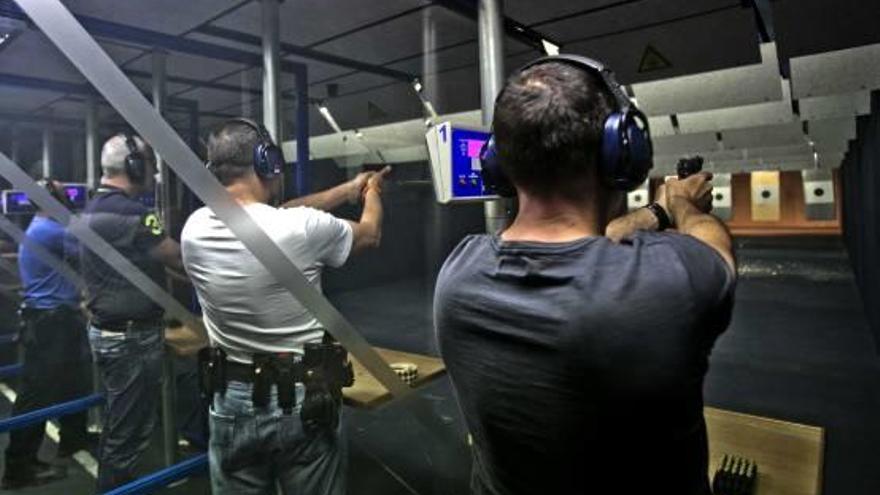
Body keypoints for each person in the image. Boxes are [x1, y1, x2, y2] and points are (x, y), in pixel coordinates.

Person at [434, 56, 736, 495]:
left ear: (499, 163)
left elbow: (579, 242)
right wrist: (684, 205)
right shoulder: (670, 285)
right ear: (623, 151)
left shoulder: (458, 274)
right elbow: (715, 246)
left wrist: (658, 212)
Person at [180, 118, 390, 494]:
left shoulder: (193, 230)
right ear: (268, 163)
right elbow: (370, 233)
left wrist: (347, 189)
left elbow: (280, 213)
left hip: (231, 400)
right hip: (300, 400)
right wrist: (371, 191)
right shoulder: (302, 228)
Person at [79, 133, 183, 492]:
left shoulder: (93, 208)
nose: (152, 173)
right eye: (149, 165)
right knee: (128, 436)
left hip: (109, 333)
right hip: (130, 339)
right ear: (134, 166)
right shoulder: (132, 213)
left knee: (118, 423)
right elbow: (177, 257)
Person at [2, 179, 91, 489]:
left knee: (68, 384)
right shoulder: (50, 231)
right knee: (36, 396)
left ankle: (65, 442)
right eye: (62, 196)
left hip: (52, 320)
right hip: (50, 323)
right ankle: (17, 468)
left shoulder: (40, 226)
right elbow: (90, 247)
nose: (67, 201)